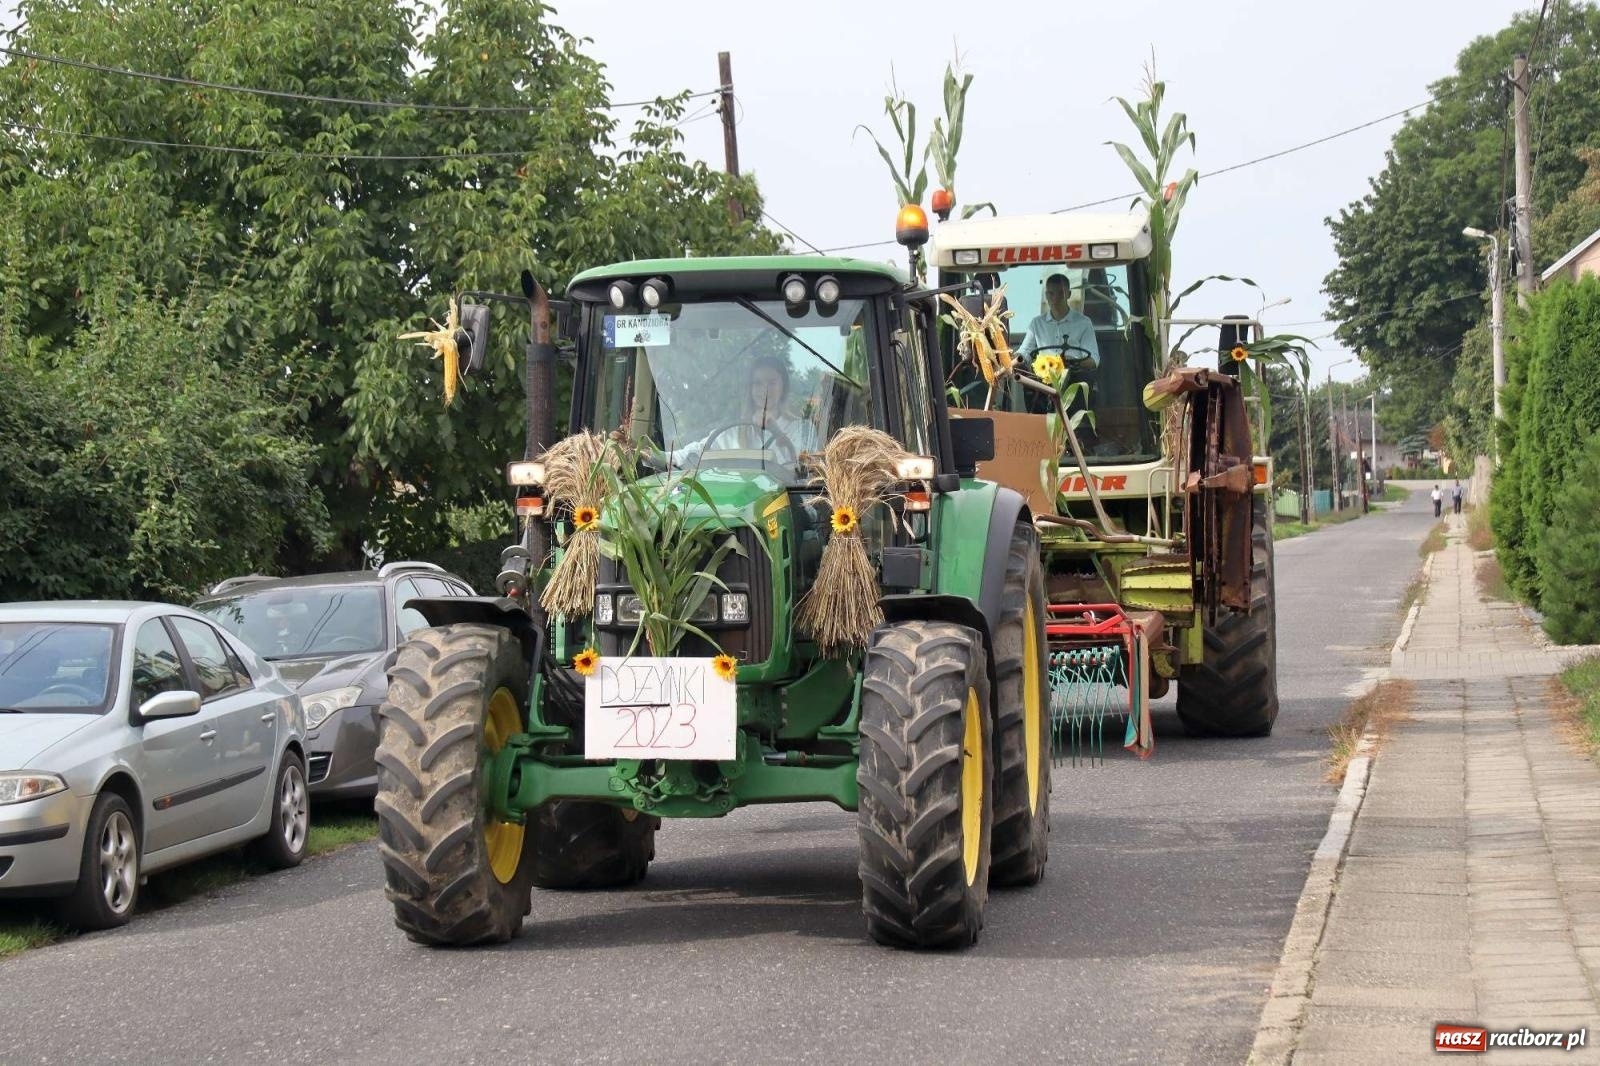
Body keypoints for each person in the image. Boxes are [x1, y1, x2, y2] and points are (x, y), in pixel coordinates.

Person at [676, 355, 817, 467]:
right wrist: (666, 457)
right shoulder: (732, 432)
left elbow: (803, 469)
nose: (765, 389)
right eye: (758, 383)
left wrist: (775, 431)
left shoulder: (802, 429)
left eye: (772, 383)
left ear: (783, 387)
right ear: (750, 389)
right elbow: (697, 451)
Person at [1016, 273, 1101, 367]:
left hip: (1076, 374)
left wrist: (1072, 362)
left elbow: (1093, 360)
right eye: (1051, 294)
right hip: (1043, 375)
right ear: (1046, 295)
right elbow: (1024, 352)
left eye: (1061, 293)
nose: (1055, 299)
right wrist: (1013, 360)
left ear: (1069, 294)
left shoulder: (1084, 323)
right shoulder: (1036, 323)